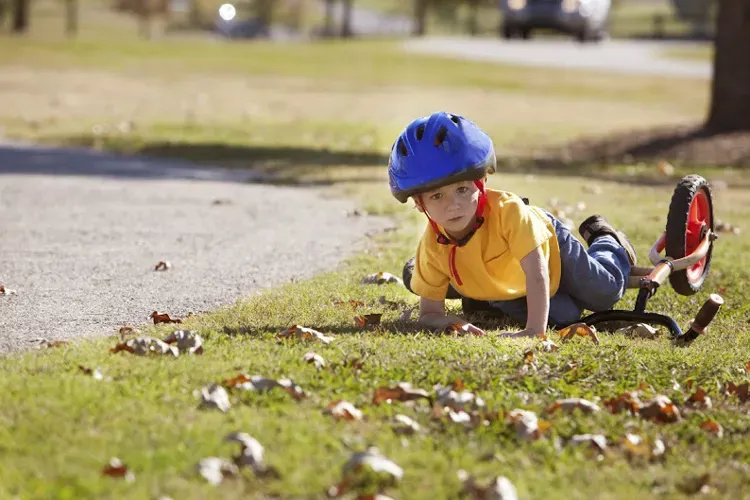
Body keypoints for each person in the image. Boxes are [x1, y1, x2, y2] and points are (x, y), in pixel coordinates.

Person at [388, 112, 637, 337]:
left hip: (549, 247)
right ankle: (481, 298)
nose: (453, 205)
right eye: (437, 196)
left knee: (604, 293)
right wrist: (451, 322)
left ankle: (606, 239)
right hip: (501, 279)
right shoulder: (433, 246)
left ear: (481, 182)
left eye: (462, 189)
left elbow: (537, 273)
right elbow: (429, 314)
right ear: (420, 205)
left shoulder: (511, 214)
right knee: (564, 317)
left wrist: (534, 331)